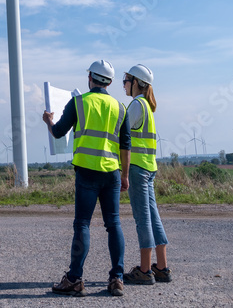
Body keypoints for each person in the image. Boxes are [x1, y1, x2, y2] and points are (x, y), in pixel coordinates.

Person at [43, 59, 130, 297]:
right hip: (112, 173)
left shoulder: (79, 102)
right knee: (114, 224)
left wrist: (49, 121)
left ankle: (74, 279)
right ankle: (117, 279)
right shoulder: (120, 108)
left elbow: (60, 131)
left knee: (82, 224)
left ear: (90, 78)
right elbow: (125, 145)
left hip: (86, 173)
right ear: (110, 82)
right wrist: (125, 175)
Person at [121, 64, 172, 285]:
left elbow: (120, 133)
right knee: (153, 218)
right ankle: (161, 267)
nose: (124, 84)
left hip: (138, 169)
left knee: (142, 220)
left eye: (126, 79)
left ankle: (144, 270)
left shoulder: (136, 105)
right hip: (149, 169)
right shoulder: (148, 107)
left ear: (136, 83)